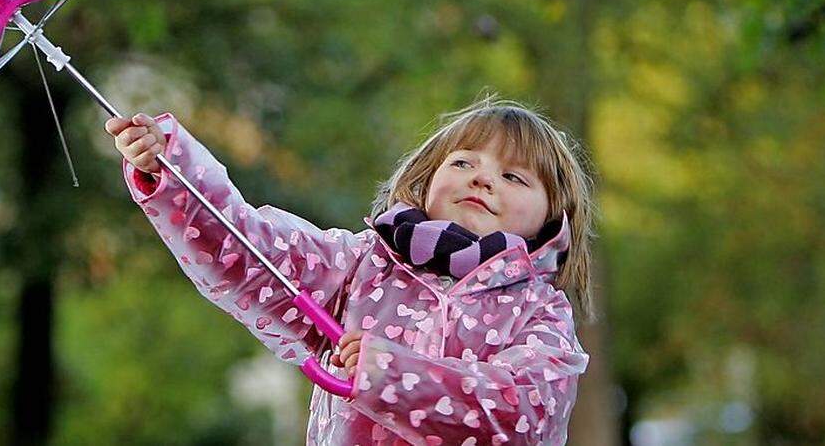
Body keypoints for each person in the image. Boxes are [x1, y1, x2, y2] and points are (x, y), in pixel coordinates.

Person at [105, 96, 594, 445]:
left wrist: (387, 374)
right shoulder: (364, 264)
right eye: (464, 162)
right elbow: (251, 255)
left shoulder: (539, 312)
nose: (483, 178)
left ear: (553, 217)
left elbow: (523, 414)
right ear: (427, 180)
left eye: (512, 176)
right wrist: (173, 170)